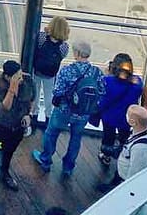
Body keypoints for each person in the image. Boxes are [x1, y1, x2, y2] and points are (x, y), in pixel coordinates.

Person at [32, 41, 105, 177]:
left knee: (51, 133)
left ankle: (46, 160)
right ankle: (68, 167)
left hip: (64, 110)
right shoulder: (97, 72)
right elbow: (101, 92)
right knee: (76, 138)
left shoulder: (67, 70)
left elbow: (57, 91)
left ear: (77, 54)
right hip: (83, 113)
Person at [0, 60, 35, 191]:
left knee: (10, 150)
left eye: (21, 75)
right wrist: (12, 89)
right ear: (7, 77)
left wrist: (29, 115)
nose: (21, 79)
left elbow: (32, 100)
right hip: (1, 126)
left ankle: (4, 170)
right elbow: (5, 109)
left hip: (18, 126)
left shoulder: (28, 80)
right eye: (17, 77)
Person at [98, 105, 147, 192]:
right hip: (121, 172)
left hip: (123, 180)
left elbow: (135, 174)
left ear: (132, 122)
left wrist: (125, 188)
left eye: (127, 115)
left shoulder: (141, 149)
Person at [97, 53, 144, 165]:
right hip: (126, 117)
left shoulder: (107, 81)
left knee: (108, 136)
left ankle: (106, 155)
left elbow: (103, 99)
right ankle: (123, 155)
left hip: (109, 116)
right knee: (125, 137)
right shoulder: (137, 83)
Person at [31, 16, 71, 131]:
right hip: (50, 75)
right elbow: (62, 57)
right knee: (49, 99)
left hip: (36, 71)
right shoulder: (64, 46)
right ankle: (48, 121)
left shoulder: (42, 37)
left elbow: (35, 49)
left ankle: (34, 118)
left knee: (35, 96)